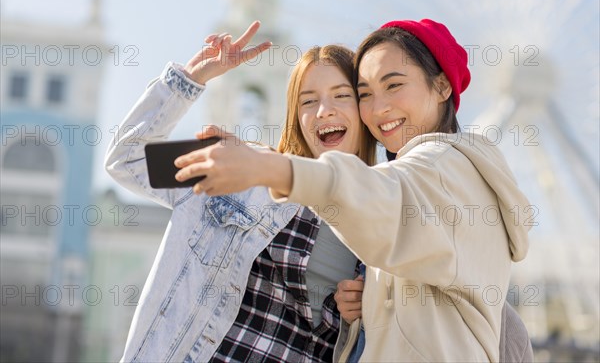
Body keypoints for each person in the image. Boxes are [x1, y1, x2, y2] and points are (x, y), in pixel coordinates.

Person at [175, 18, 533, 362]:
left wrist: (270, 167)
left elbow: (376, 196)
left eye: (394, 85)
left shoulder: (446, 165)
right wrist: (369, 304)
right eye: (366, 94)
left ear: (441, 86)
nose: (379, 108)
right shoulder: (430, 181)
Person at [105, 21, 376, 362]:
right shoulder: (244, 168)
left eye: (341, 95)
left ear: (365, 108)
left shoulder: (385, 213)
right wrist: (192, 77)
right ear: (295, 116)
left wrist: (360, 317)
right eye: (308, 101)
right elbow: (127, 159)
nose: (324, 110)